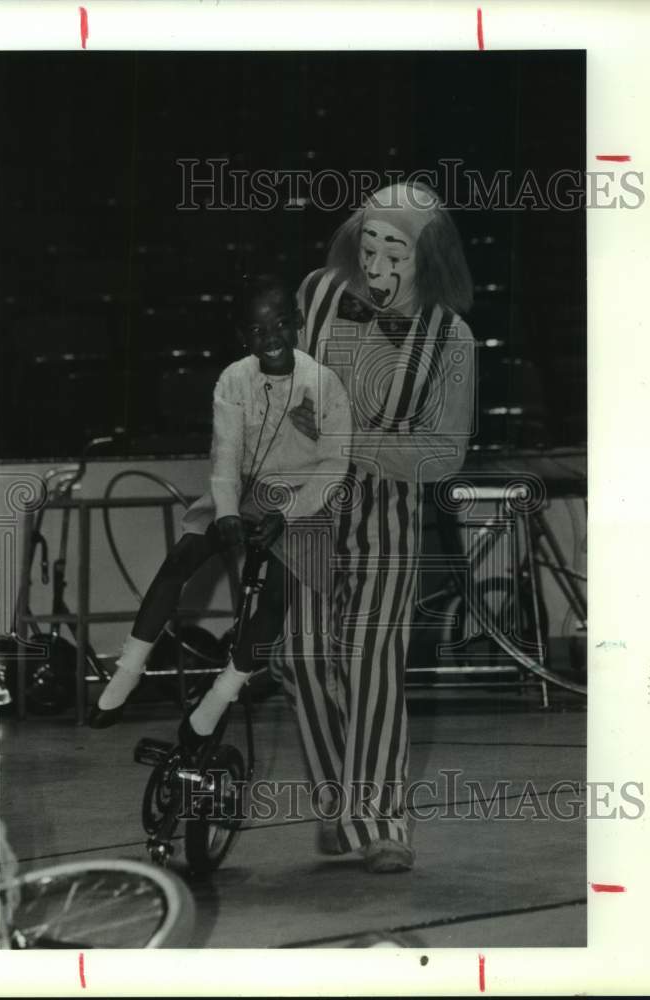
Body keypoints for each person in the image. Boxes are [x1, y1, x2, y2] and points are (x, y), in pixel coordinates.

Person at [281, 180, 475, 873]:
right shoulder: (317, 292)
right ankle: (340, 805)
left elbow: (443, 454)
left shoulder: (452, 337)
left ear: (430, 254)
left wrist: (345, 441)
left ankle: (382, 824)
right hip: (305, 503)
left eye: (396, 246)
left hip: (387, 507)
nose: (377, 260)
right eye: (369, 242)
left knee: (370, 661)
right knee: (302, 656)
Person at [89, 274, 352, 750]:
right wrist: (228, 511)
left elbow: (334, 467)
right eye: (256, 330)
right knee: (182, 559)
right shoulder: (234, 379)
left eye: (278, 326)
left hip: (303, 498)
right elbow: (225, 456)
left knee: (274, 598)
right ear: (243, 336)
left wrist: (288, 516)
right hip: (244, 488)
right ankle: (127, 672)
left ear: (296, 327)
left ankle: (217, 698)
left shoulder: (325, 384)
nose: (269, 338)